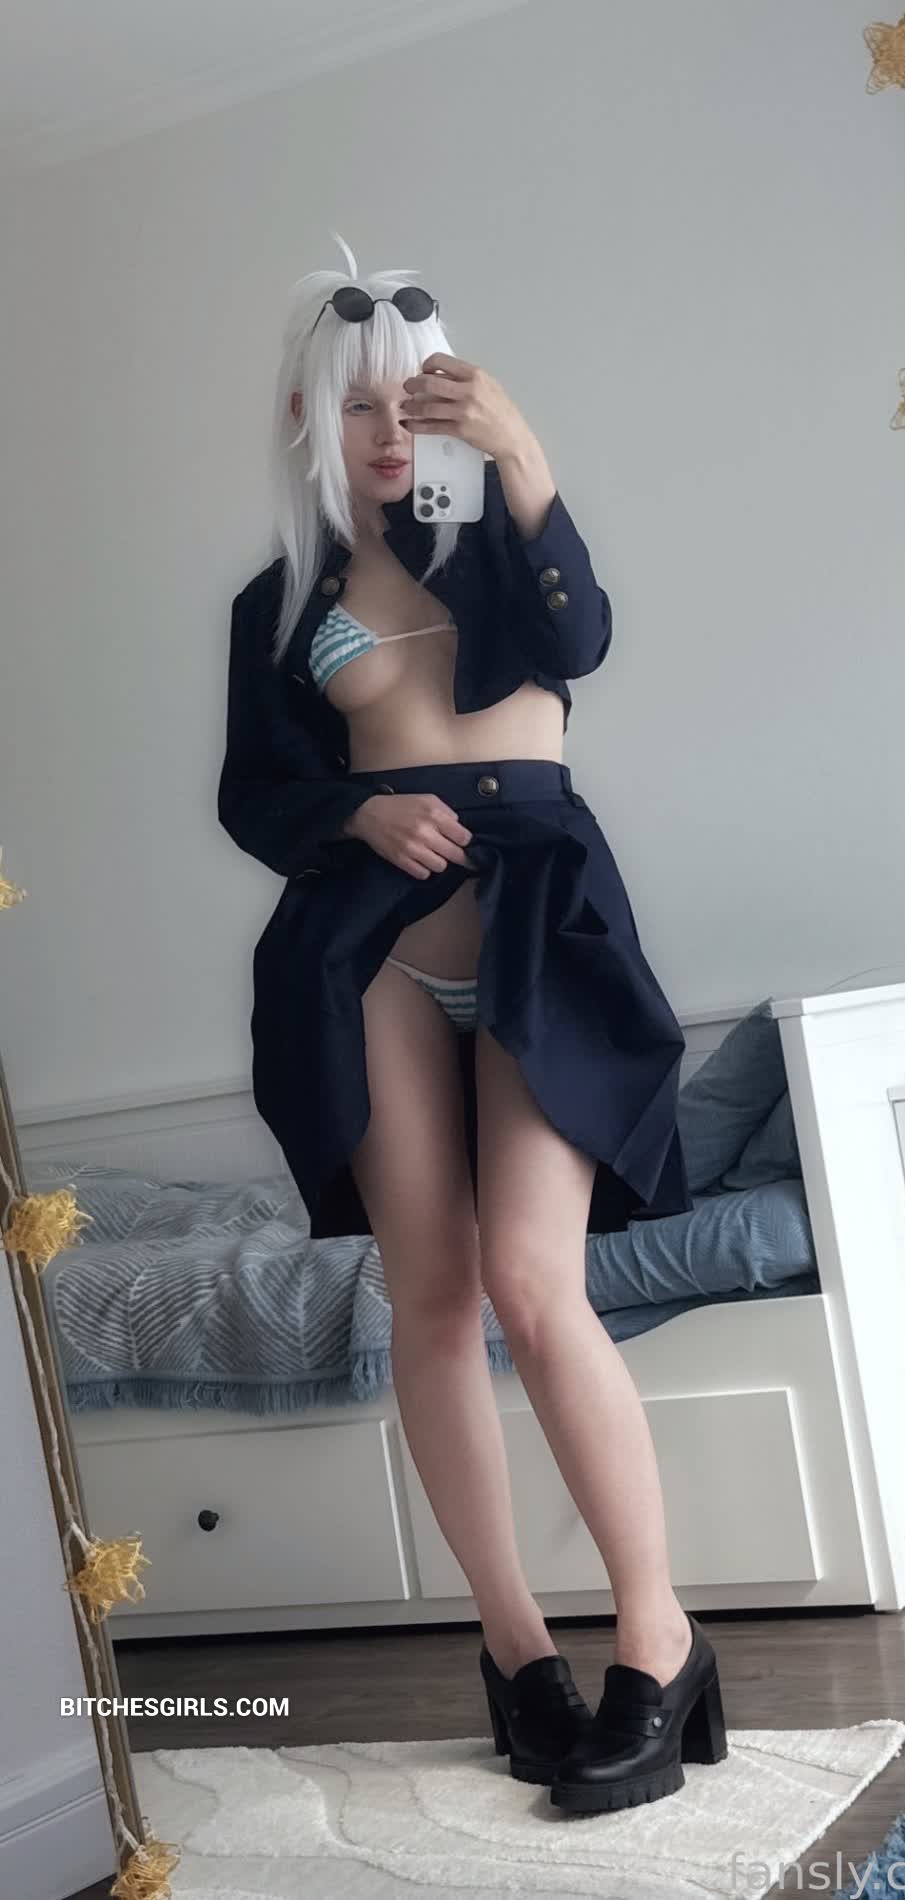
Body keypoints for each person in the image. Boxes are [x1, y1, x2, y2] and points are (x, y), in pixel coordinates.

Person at [217, 236, 725, 1814]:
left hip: (535, 931)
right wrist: (352, 819)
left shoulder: (508, 546)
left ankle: (659, 1641)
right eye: (353, 406)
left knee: (533, 1282)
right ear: (308, 420)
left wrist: (523, 458)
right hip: (367, 950)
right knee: (430, 1301)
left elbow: (578, 649)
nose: (387, 432)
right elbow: (254, 796)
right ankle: (517, 1657)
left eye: (411, 401)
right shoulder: (284, 599)